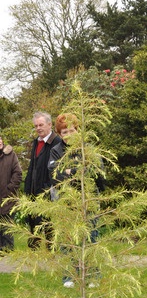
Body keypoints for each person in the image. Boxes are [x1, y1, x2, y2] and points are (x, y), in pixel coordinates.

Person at [48, 113, 105, 287]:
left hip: (88, 200)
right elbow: (54, 175)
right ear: (59, 134)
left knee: (91, 237)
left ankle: (93, 276)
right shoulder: (56, 151)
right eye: (64, 132)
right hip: (66, 201)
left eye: (71, 130)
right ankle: (69, 276)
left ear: (78, 130)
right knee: (68, 240)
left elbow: (95, 172)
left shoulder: (88, 149)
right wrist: (75, 172)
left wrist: (68, 172)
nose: (68, 135)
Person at [24, 111, 62, 248]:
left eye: (41, 125)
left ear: (49, 124)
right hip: (34, 191)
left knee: (49, 225)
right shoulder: (37, 142)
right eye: (36, 126)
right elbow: (32, 166)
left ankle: (52, 256)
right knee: (34, 224)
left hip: (48, 192)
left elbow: (55, 169)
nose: (38, 128)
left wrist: (48, 188)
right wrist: (27, 187)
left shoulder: (57, 142)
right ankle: (35, 255)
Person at [0, 134, 22, 252]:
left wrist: (10, 188)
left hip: (7, 198)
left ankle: (8, 256)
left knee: (7, 227)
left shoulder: (10, 155)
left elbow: (18, 173)